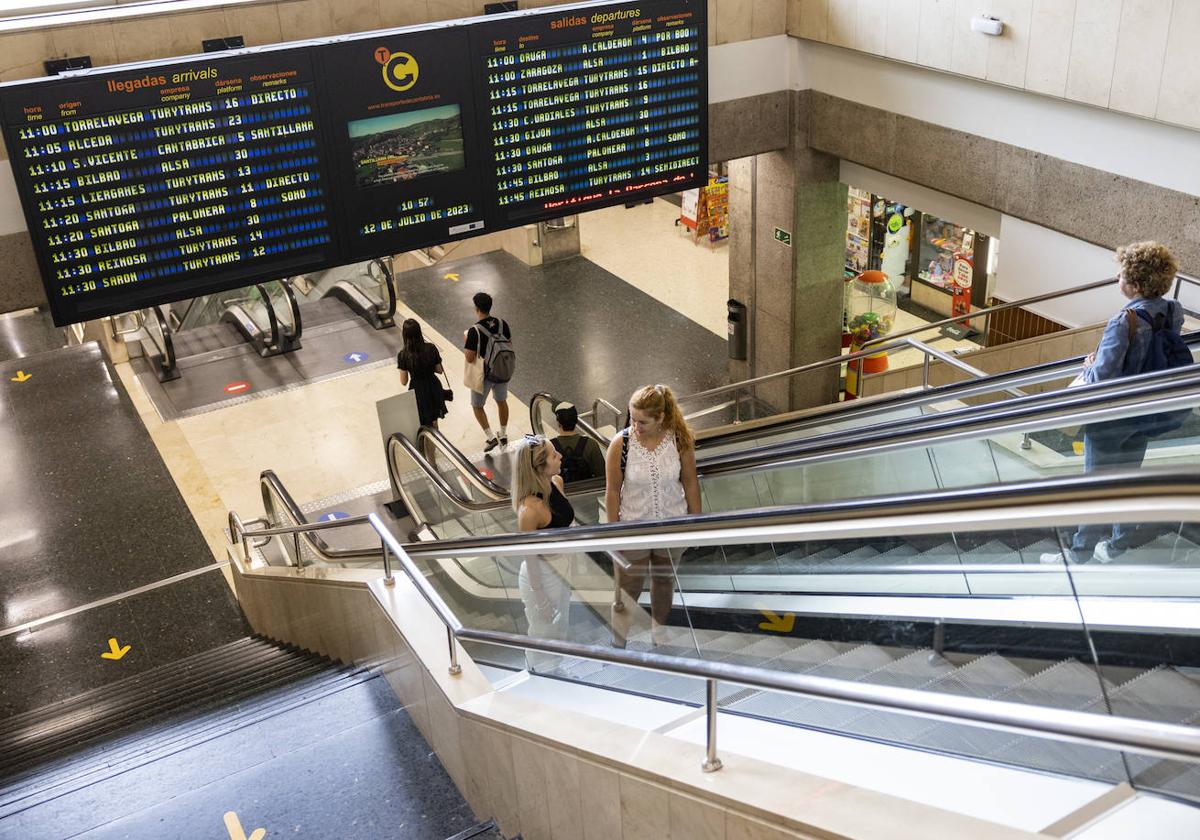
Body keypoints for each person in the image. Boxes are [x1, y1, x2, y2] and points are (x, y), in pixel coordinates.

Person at [1042, 241, 1182, 566]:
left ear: (1134, 284)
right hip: (1147, 411)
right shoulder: (1173, 310)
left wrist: (1089, 364)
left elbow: (1101, 377)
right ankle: (1117, 546)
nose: (1117, 275)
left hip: (1113, 417)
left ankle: (1079, 555)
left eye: (1122, 273)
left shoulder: (1124, 320)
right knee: (1128, 481)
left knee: (1096, 488)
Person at [604, 384, 701, 646]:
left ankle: (659, 629)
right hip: (633, 529)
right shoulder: (621, 444)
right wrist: (613, 533)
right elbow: (612, 491)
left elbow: (690, 481)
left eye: (642, 422)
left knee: (664, 580)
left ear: (660, 418)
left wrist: (696, 522)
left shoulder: (679, 440)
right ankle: (618, 641)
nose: (635, 426)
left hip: (672, 525)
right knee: (628, 589)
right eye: (632, 419)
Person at [512, 434, 575, 665]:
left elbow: (568, 525)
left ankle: (556, 671)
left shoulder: (556, 483)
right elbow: (530, 557)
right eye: (553, 454)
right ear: (540, 466)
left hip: (562, 569)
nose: (560, 456)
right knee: (542, 633)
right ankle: (538, 673)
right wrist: (540, 598)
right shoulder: (529, 511)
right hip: (541, 576)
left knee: (561, 627)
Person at [464, 291, 512, 452]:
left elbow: (470, 358)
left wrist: (467, 342)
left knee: (477, 405)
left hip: (484, 375)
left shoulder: (474, 331)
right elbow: (509, 345)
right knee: (501, 401)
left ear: (476, 308)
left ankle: (491, 437)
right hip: (501, 370)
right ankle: (503, 434)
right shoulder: (502, 323)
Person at [396, 318, 448, 429]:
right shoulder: (431, 348)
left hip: (417, 390)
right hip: (433, 386)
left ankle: (427, 444)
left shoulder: (403, 355)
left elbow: (403, 381)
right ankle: (437, 442)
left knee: (423, 423)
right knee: (434, 420)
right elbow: (439, 370)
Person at [551, 401, 606, 483]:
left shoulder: (549, 447)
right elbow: (602, 475)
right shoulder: (591, 444)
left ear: (558, 422)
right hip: (587, 492)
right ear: (576, 420)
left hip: (559, 492)